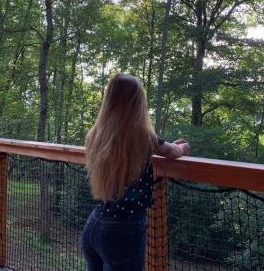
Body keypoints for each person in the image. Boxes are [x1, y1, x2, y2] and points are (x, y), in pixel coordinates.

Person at [81, 73, 190, 271]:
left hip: (94, 224)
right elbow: (173, 151)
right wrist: (182, 147)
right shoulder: (143, 136)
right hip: (123, 231)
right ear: (138, 101)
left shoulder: (95, 135)